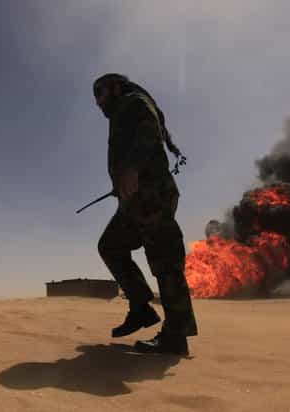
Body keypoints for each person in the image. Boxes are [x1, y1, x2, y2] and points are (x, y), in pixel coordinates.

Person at [93, 73, 198, 356]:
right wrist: (121, 184)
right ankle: (140, 307)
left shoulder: (133, 101)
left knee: (164, 261)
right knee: (110, 245)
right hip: (135, 200)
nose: (98, 102)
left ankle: (175, 336)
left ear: (116, 88)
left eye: (100, 93)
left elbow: (148, 131)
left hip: (153, 195)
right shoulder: (122, 111)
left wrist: (133, 169)